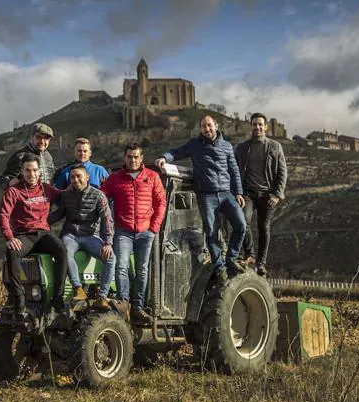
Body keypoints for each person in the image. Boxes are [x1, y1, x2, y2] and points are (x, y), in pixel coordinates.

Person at [155, 115, 246, 282]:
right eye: (203, 126)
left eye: (209, 125)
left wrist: (238, 192)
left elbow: (234, 171)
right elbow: (176, 152)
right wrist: (164, 157)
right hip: (207, 195)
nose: (207, 129)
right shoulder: (194, 145)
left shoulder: (227, 146)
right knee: (211, 232)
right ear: (200, 129)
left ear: (216, 126)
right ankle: (220, 267)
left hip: (226, 194)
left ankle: (231, 259)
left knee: (241, 225)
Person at [101, 143, 167, 324]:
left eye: (136, 156)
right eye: (129, 156)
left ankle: (138, 307)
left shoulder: (152, 177)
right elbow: (102, 198)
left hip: (146, 231)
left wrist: (154, 227)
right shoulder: (115, 178)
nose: (133, 160)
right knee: (121, 266)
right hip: (123, 231)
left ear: (141, 158)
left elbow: (161, 202)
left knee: (142, 269)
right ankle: (124, 304)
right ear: (125, 158)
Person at [0, 153, 67, 317]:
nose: (32, 174)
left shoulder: (47, 189)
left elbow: (64, 198)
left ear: (39, 171)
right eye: (28, 170)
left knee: (61, 250)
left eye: (35, 170)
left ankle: (57, 297)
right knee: (11, 253)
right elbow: (3, 216)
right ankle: (18, 298)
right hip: (24, 235)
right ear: (22, 172)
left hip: (43, 234)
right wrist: (10, 238)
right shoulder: (14, 192)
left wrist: (53, 218)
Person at [48, 164, 116, 310]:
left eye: (79, 176)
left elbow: (107, 219)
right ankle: (78, 289)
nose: (75, 179)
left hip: (91, 236)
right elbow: (59, 214)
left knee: (111, 258)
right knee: (64, 252)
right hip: (70, 235)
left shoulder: (98, 195)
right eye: (72, 177)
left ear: (87, 177)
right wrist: (39, 222)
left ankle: (102, 296)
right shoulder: (66, 195)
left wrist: (108, 242)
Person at [235, 112, 288, 276]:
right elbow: (235, 171)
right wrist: (238, 192)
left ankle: (261, 262)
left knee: (264, 227)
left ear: (265, 127)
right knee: (242, 222)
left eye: (260, 124)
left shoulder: (275, 146)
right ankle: (249, 255)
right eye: (254, 124)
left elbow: (282, 171)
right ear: (250, 126)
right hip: (248, 194)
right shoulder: (242, 148)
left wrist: (277, 194)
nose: (257, 127)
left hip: (267, 195)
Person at [0, 123, 56, 189]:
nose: (42, 141)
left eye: (46, 138)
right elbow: (4, 179)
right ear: (31, 137)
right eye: (38, 137)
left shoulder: (48, 156)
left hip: (49, 197)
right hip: (26, 197)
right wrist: (8, 183)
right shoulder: (20, 156)